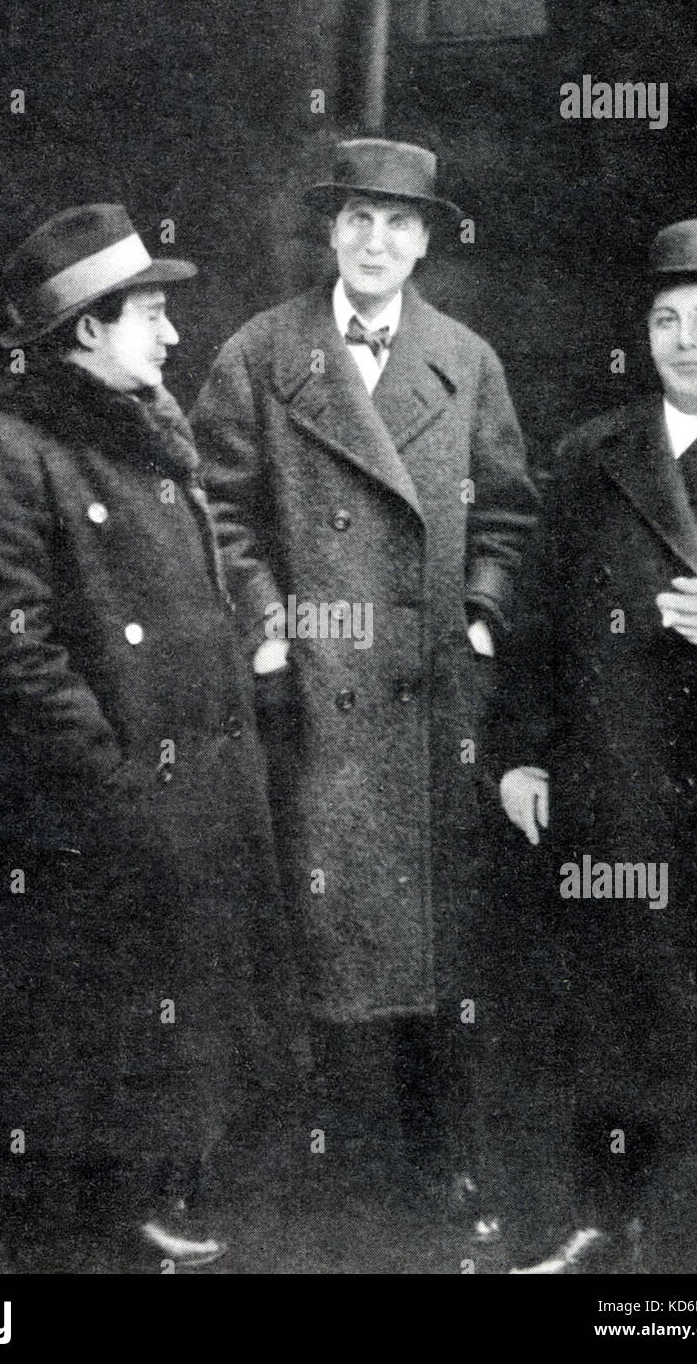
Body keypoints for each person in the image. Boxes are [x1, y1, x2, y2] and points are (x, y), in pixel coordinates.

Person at [191, 139, 539, 1232]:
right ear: (330, 232)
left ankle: (444, 1164)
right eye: (357, 221)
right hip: (312, 696)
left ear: (427, 238)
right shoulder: (261, 350)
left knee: (438, 943)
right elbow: (217, 506)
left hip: (431, 699)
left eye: (398, 223)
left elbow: (510, 515)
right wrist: (268, 625)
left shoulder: (467, 360)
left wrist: (482, 617)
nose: (375, 241)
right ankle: (313, 1174)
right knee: (314, 934)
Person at [0, 203, 292, 1270]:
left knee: (154, 1013)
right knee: (57, 1023)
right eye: (150, 314)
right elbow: (12, 649)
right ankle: (7, 1226)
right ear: (87, 329)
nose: (172, 335)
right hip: (84, 807)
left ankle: (132, 1194)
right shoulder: (5, 454)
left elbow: (202, 585)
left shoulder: (149, 429)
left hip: (182, 787)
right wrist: (108, 777)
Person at [499, 219, 697, 1271]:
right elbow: (535, 618)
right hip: (618, 778)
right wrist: (521, 752)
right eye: (666, 318)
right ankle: (600, 1223)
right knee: (614, 997)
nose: (685, 337)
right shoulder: (591, 454)